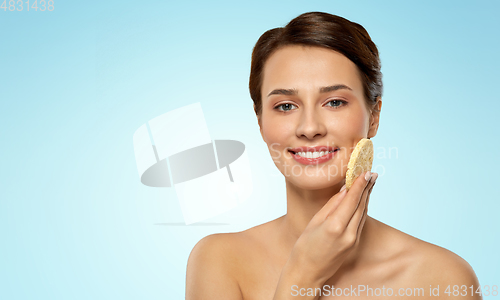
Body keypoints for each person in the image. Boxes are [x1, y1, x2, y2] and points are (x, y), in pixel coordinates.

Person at [186, 12, 481, 300]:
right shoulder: (220, 262)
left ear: (374, 116)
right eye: (286, 106)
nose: (310, 128)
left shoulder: (442, 279)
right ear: (260, 121)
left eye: (335, 102)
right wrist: (302, 275)